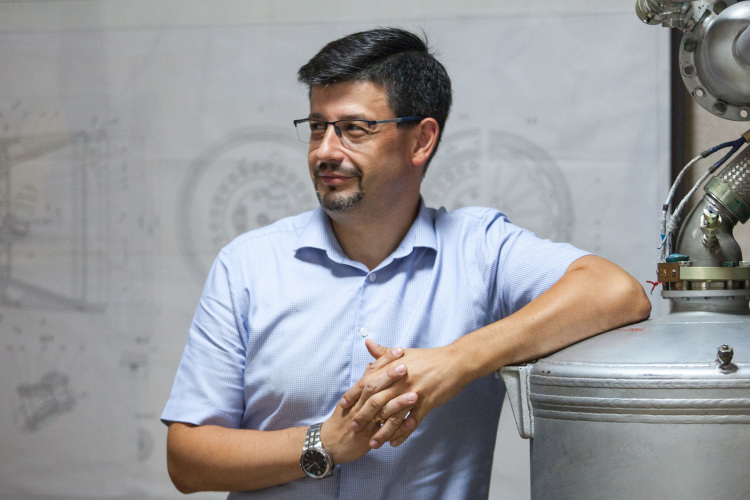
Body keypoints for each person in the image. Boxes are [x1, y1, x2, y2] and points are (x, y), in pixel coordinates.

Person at [162, 27, 651, 499]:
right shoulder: (248, 264)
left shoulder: (479, 250)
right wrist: (322, 444)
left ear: (421, 140)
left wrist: (454, 363)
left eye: (354, 129)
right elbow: (187, 460)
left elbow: (617, 292)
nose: (325, 151)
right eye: (316, 128)